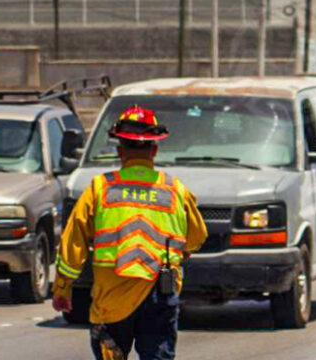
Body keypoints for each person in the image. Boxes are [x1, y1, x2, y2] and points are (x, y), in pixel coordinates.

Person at [52, 106, 207, 360]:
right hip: (160, 293)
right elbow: (197, 237)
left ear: (119, 150)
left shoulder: (100, 189)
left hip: (111, 297)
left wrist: (62, 288)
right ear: (154, 150)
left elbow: (73, 243)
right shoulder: (175, 190)